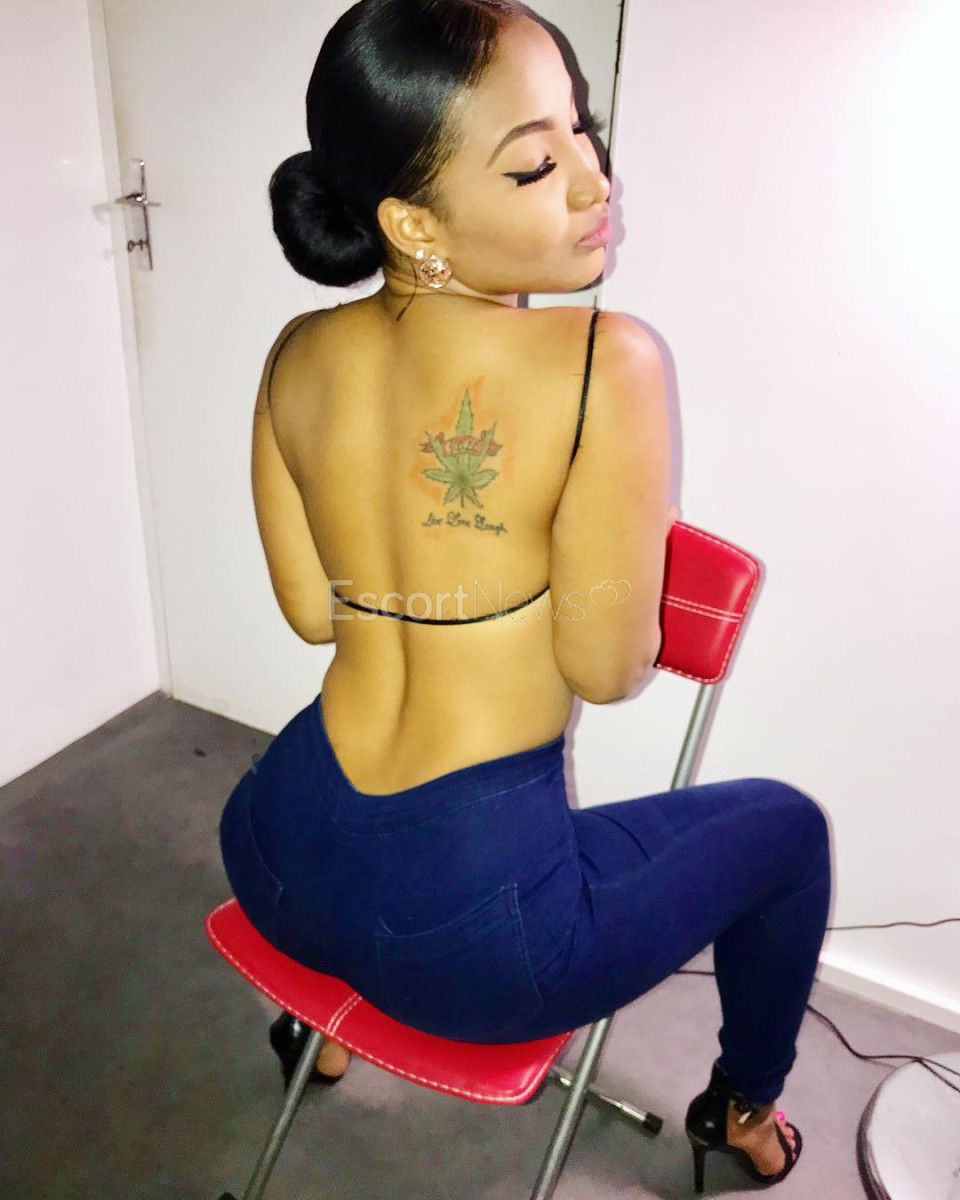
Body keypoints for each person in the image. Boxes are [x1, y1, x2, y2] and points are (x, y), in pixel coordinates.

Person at [218, 0, 831, 1189]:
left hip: (274, 850)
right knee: (792, 832)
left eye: (581, 131)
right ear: (411, 222)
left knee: (374, 867)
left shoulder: (296, 351)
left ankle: (323, 1032)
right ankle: (742, 1108)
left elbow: (309, 612)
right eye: (537, 165)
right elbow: (608, 668)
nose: (597, 181)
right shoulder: (607, 360)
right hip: (472, 946)